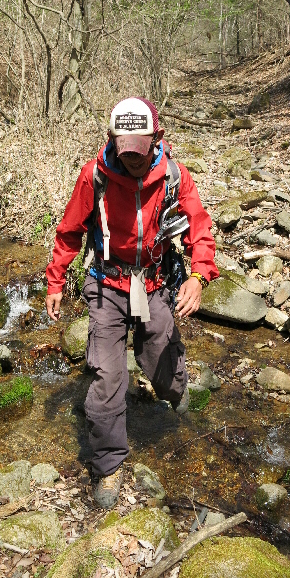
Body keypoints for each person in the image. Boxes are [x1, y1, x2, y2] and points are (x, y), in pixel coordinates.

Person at [46, 97, 219, 509]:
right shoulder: (94, 176)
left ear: (157, 138)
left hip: (154, 281)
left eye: (140, 152)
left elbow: (199, 229)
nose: (133, 160)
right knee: (108, 376)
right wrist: (55, 281)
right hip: (106, 283)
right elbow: (70, 231)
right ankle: (108, 465)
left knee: (160, 358)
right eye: (125, 152)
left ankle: (176, 390)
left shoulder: (175, 177)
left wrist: (198, 276)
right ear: (112, 141)